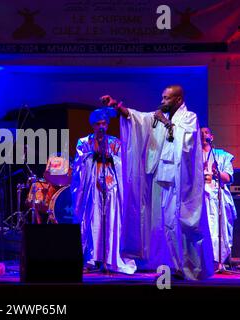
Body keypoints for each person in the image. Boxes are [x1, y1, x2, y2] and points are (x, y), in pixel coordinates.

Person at [101, 85, 214, 280]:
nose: (162, 102)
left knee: (179, 224)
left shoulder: (189, 118)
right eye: (162, 98)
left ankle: (189, 267)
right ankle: (170, 266)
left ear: (178, 100)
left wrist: (168, 124)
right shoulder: (160, 117)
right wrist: (119, 108)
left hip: (179, 184)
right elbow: (139, 119)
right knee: (161, 226)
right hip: (160, 180)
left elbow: (186, 143)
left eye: (167, 98)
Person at [71, 108, 136, 274]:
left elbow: (124, 163)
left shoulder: (115, 142)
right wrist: (93, 155)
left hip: (111, 186)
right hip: (92, 188)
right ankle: (91, 259)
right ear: (93, 125)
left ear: (107, 125)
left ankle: (110, 259)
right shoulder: (84, 142)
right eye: (98, 124)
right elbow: (79, 163)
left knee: (111, 222)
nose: (101, 126)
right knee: (93, 222)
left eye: (104, 123)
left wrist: (111, 158)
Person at [201, 127, 237, 265]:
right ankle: (204, 260)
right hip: (201, 197)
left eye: (206, 132)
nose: (203, 135)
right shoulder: (194, 156)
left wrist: (217, 172)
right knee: (205, 228)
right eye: (200, 133)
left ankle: (218, 261)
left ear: (212, 137)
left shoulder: (220, 155)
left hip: (218, 196)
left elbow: (227, 178)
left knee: (218, 228)